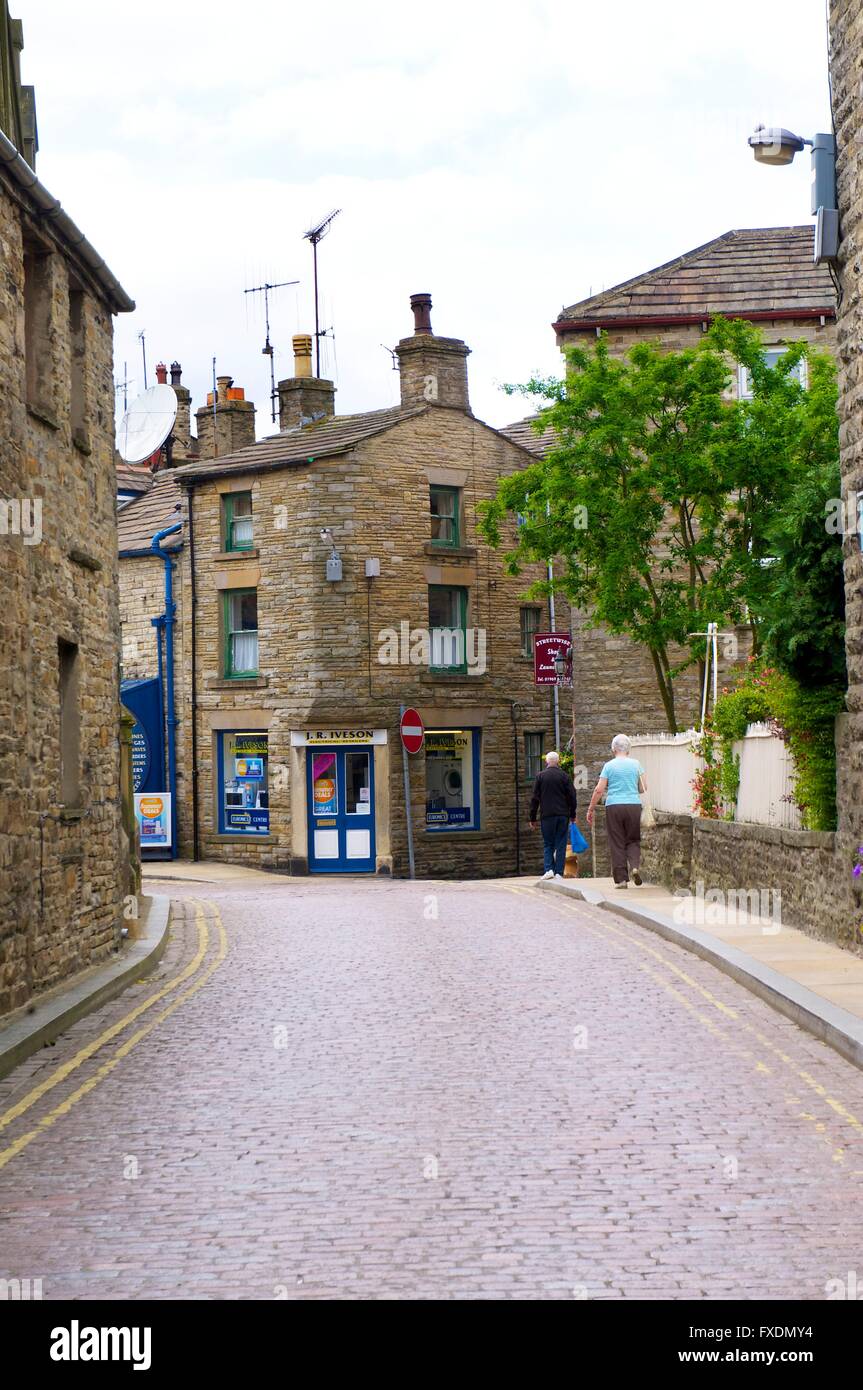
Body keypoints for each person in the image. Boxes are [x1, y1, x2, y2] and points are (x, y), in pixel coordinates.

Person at [585, 734, 646, 889]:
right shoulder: (636, 764)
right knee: (633, 839)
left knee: (617, 841)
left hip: (614, 806)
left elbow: (599, 790)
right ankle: (634, 866)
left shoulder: (609, 766)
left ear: (613, 749)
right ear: (629, 749)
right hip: (633, 805)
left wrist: (591, 808)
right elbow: (643, 787)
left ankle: (621, 880)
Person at [528, 751, 578, 881]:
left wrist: (532, 818)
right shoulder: (564, 776)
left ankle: (549, 869)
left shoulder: (540, 776)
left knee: (548, 843)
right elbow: (572, 796)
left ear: (547, 762)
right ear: (558, 762)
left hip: (547, 816)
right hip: (562, 815)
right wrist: (573, 814)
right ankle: (559, 873)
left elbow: (534, 799)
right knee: (561, 843)